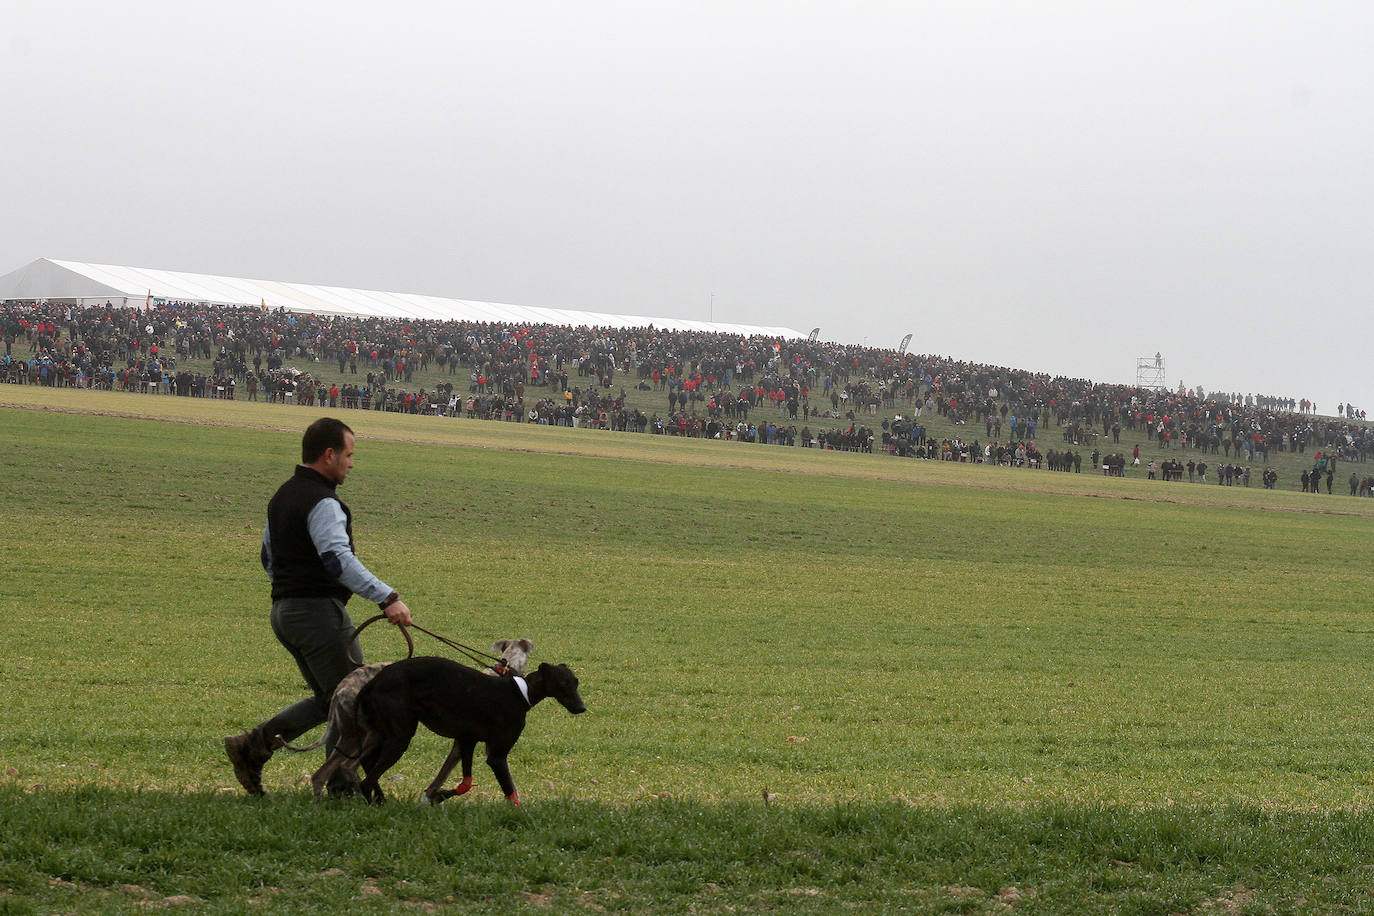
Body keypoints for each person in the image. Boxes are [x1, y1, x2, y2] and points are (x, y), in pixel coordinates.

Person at [224, 417, 413, 795]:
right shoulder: (323, 502)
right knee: (354, 699)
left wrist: (290, 591)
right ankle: (342, 788)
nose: (351, 463)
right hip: (316, 613)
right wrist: (386, 597)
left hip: (284, 612)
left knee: (330, 698)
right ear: (329, 455)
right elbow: (336, 560)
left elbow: (268, 557)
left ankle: (252, 747)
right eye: (348, 454)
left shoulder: (283, 495)